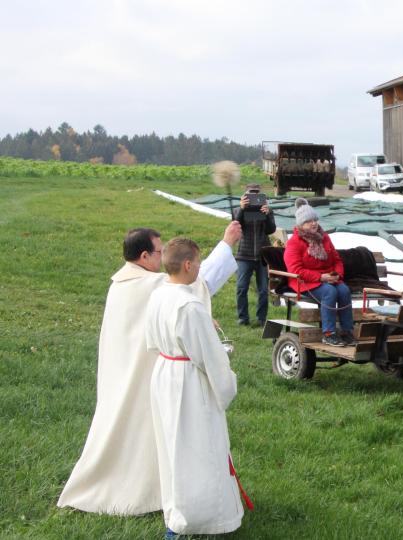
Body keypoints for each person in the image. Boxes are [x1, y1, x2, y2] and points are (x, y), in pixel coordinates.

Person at [58, 222, 240, 515]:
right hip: (145, 376)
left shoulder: (120, 283)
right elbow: (194, 280)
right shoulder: (150, 285)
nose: (163, 256)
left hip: (123, 372)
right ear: (144, 257)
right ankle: (150, 492)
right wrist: (226, 244)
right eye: (159, 251)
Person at [146, 237, 250, 537]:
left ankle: (177, 509)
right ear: (188, 264)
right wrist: (227, 384)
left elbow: (151, 340)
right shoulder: (189, 306)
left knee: (172, 445)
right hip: (188, 382)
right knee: (197, 447)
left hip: (165, 371)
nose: (201, 268)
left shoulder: (159, 294)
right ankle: (201, 514)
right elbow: (210, 356)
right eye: (199, 262)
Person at [284, 198, 355, 346]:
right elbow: (296, 270)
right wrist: (321, 277)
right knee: (329, 292)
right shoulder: (294, 242)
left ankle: (347, 331)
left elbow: (337, 260)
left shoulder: (324, 237)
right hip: (304, 282)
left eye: (315, 219)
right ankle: (328, 333)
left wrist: (337, 275)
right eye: (309, 221)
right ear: (301, 224)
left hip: (327, 278)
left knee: (343, 290)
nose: (314, 223)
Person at [233, 182, 276, 327]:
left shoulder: (266, 210)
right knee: (241, 287)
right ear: (245, 194)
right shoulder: (238, 210)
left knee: (263, 289)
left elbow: (271, 230)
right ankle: (243, 318)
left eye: (257, 193)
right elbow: (235, 227)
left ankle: (261, 318)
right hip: (244, 255)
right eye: (251, 193)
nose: (254, 195)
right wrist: (241, 209)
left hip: (262, 255)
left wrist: (268, 214)